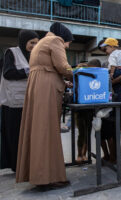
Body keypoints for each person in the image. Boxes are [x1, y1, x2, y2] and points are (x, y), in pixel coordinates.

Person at [16, 22, 73, 188]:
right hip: (47, 88)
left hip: (37, 85)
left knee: (38, 130)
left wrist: (63, 80)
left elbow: (48, 67)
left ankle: (39, 174)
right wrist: (76, 75)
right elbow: (62, 66)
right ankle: (47, 178)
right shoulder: (56, 41)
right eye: (68, 42)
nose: (67, 46)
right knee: (47, 131)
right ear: (64, 38)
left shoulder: (41, 42)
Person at [0, 30, 39, 172]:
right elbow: (8, 73)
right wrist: (29, 71)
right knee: (14, 135)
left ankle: (25, 163)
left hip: (27, 101)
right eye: (31, 42)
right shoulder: (12, 52)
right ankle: (16, 165)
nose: (34, 46)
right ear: (24, 41)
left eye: (36, 42)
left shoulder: (33, 56)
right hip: (13, 103)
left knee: (26, 135)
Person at [75, 59, 101, 163]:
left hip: (90, 107)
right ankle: (79, 154)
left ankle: (84, 154)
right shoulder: (80, 74)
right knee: (82, 132)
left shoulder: (96, 75)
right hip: (80, 107)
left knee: (88, 132)